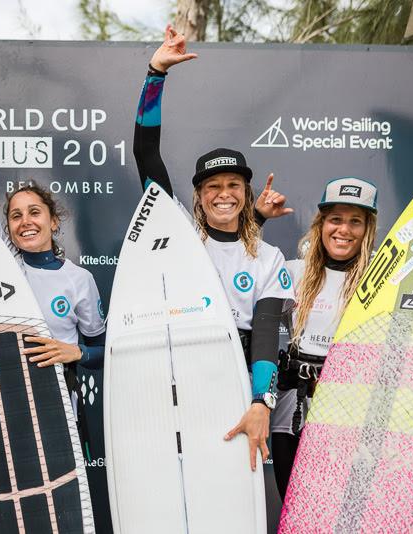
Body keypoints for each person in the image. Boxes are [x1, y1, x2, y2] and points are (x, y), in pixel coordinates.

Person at [134, 25, 295, 471]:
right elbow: (146, 155)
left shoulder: (268, 257)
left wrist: (261, 402)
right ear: (199, 195)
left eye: (233, 185)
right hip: (177, 378)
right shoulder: (178, 236)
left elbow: (265, 336)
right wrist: (156, 74)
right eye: (212, 186)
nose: (223, 194)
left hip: (240, 378)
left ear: (244, 192)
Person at [266, 177, 413, 500]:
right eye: (335, 219)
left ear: (369, 228)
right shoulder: (292, 272)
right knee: (296, 511)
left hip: (354, 418)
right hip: (291, 415)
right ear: (321, 223)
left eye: (356, 221)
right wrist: (256, 219)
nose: (344, 230)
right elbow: (242, 295)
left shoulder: (388, 281)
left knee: (343, 512)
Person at [0, 67, 106, 378]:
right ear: (8, 227)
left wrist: (77, 352)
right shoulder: (5, 262)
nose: (25, 221)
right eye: (16, 215)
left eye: (35, 212)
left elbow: (104, 352)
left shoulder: (79, 280)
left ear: (54, 222)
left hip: (60, 403)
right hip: (5, 398)